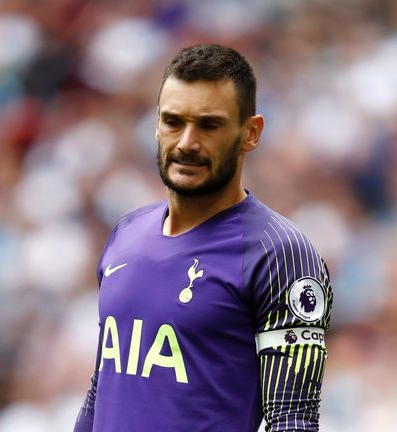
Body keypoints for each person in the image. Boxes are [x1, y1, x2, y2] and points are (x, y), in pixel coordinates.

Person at [74, 44, 333, 432]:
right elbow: (104, 387)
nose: (186, 143)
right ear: (156, 125)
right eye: (173, 122)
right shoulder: (126, 233)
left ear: (251, 133)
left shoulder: (280, 256)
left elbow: (293, 420)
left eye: (209, 125)